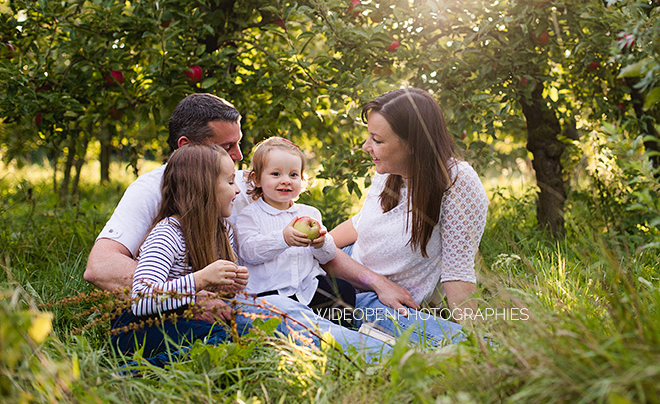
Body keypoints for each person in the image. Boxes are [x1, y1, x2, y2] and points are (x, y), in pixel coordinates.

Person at [84, 93, 391, 364]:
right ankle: (379, 354)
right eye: (228, 146)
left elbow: (322, 252)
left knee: (355, 272)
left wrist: (376, 282)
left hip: (266, 291)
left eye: (240, 143)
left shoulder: (245, 184)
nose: (241, 162)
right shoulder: (158, 204)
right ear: (188, 149)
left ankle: (387, 340)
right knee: (281, 315)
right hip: (178, 313)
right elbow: (101, 268)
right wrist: (198, 291)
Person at [326, 87, 489, 344]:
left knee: (467, 345)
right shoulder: (388, 171)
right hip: (352, 272)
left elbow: (457, 272)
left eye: (377, 140)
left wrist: (474, 335)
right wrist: (317, 247)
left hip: (385, 301)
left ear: (413, 144)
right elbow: (359, 225)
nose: (366, 147)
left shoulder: (457, 182)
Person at [114, 144, 250, 364]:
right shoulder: (168, 234)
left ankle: (187, 361)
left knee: (242, 328)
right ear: (203, 186)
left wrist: (226, 288)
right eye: (230, 181)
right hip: (139, 327)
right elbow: (140, 300)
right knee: (228, 336)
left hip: (182, 322)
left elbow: (210, 302)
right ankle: (137, 372)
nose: (237, 190)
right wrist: (202, 278)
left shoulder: (224, 232)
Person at [236, 137, 356, 326]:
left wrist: (321, 243)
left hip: (307, 287)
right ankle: (300, 334)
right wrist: (282, 239)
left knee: (344, 291)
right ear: (256, 179)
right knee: (274, 315)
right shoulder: (249, 215)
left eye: (293, 175)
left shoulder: (309, 213)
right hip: (269, 291)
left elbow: (328, 256)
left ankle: (338, 334)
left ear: (302, 179)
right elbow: (248, 252)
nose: (286, 181)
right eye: (276, 174)